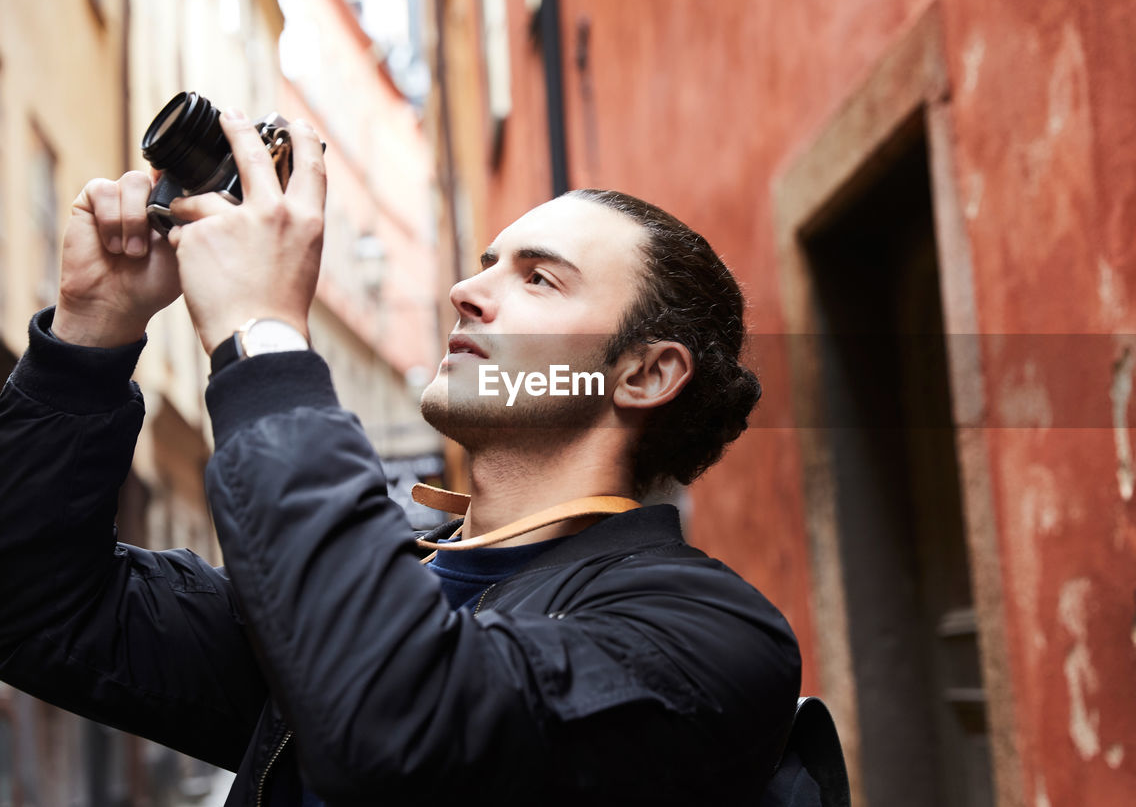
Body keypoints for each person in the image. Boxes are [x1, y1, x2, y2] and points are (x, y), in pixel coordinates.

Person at [0, 109, 801, 805]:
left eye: (541, 279)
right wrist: (88, 336)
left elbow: (394, 718)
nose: (468, 288)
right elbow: (37, 607)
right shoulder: (342, 597)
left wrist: (265, 340)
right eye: (487, 261)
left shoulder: (710, 637)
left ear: (645, 373)